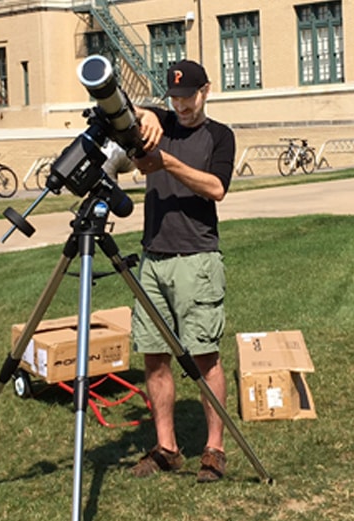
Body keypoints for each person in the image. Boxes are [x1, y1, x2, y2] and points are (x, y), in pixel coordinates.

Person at [128, 59, 236, 483]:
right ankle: (166, 448)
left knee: (205, 357)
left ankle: (214, 449)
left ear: (205, 91)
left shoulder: (219, 135)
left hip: (197, 257)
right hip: (153, 257)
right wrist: (146, 114)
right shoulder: (160, 124)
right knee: (154, 358)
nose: (182, 106)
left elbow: (217, 189)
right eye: (173, 98)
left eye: (188, 97)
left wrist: (168, 163)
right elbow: (121, 110)